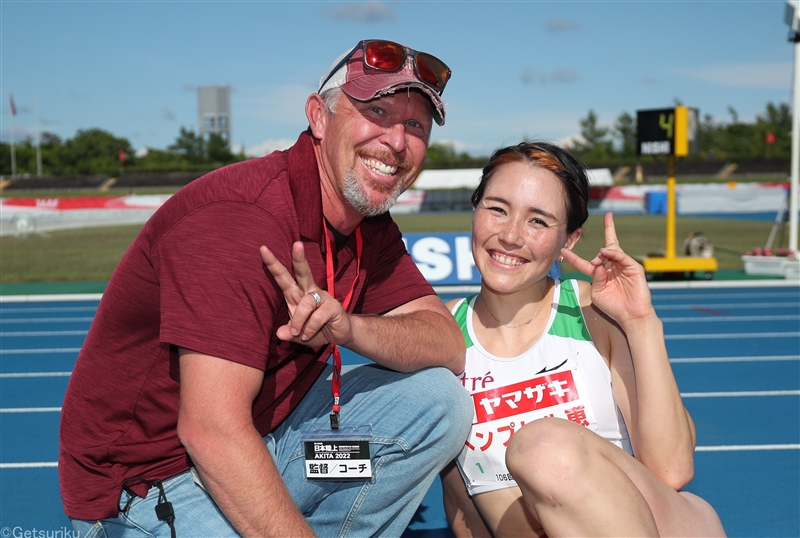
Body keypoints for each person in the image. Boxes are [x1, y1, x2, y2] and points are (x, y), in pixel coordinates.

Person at [59, 39, 473, 537]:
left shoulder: (368, 223)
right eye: (378, 111)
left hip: (276, 439)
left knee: (437, 402)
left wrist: (350, 327)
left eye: (415, 126)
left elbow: (446, 342)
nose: (397, 141)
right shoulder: (238, 220)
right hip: (156, 481)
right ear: (319, 117)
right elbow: (210, 432)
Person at [440, 142, 726, 537]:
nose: (510, 235)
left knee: (543, 449)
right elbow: (461, 505)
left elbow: (671, 470)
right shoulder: (440, 333)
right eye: (497, 208)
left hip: (657, 525)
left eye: (538, 221)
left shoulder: (594, 313)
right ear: (475, 210)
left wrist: (641, 322)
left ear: (569, 241)